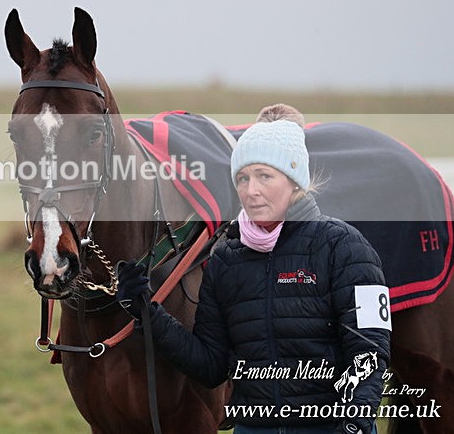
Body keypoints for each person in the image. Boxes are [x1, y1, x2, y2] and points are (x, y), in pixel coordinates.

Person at [117, 105, 391, 434]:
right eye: (243, 178)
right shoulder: (226, 259)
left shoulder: (345, 247)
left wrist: (355, 422)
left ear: (294, 180)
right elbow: (210, 366)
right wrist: (146, 311)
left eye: (264, 176)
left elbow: (369, 352)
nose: (252, 190)